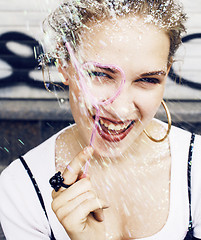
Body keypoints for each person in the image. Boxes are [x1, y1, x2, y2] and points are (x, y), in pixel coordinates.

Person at [0, 0, 201, 239]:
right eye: (100, 74)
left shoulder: (197, 168)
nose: (120, 108)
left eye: (147, 80)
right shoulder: (21, 187)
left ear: (166, 74)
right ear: (64, 65)